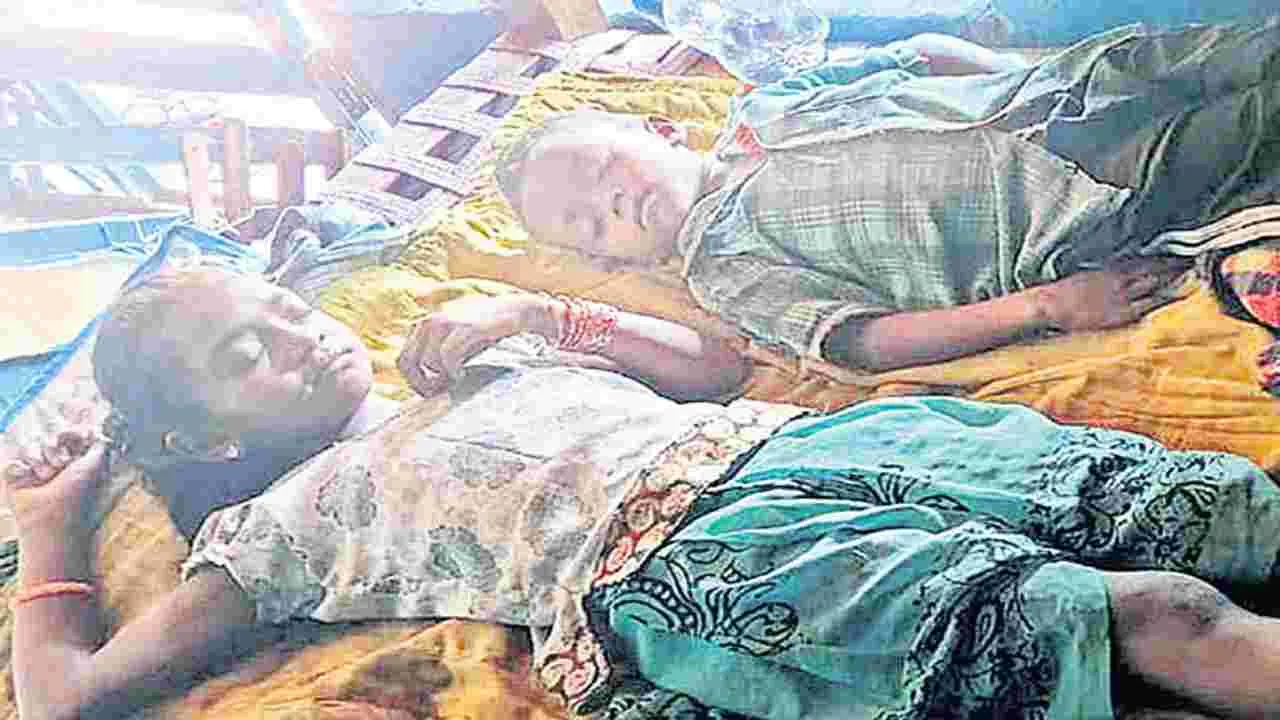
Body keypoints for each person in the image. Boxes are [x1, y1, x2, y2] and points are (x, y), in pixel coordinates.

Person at [10, 267, 1280, 720]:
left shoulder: (474, 350)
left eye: (284, 310)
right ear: (202, 437)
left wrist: (540, 311)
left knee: (1214, 512)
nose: (300, 340)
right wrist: (50, 526)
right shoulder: (271, 531)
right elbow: (68, 696)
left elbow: (711, 368)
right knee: (1149, 615)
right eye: (249, 354)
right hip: (694, 563)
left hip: (795, 441)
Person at [495, 21, 1280, 372]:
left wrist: (1019, 73)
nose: (610, 207)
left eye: (604, 173)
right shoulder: (723, 269)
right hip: (1078, 195)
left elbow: (919, 55)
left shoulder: (766, 105)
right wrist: (1045, 306)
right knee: (1259, 122)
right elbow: (862, 342)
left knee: (1258, 51)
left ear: (661, 129)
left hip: (1078, 79)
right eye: (587, 226)